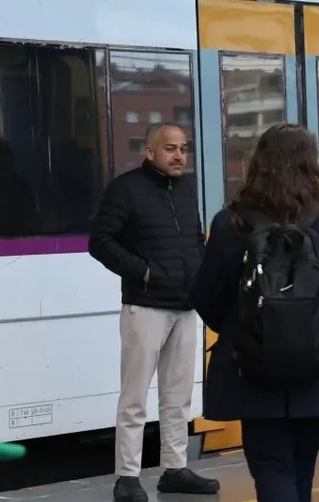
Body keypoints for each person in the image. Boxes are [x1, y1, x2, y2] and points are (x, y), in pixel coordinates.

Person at [189, 123, 319, 502]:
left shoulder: (231, 221)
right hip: (315, 367)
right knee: (302, 470)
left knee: (272, 469)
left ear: (259, 162)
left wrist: (245, 329)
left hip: (252, 368)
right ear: (310, 163)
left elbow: (206, 294)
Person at [88, 123, 218, 502]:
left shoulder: (187, 188)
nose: (179, 155)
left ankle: (174, 468)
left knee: (178, 396)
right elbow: (100, 241)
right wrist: (143, 271)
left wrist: (201, 274)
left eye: (183, 148)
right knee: (134, 398)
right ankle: (127, 477)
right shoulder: (126, 189)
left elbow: (195, 237)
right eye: (170, 149)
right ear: (149, 152)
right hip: (144, 307)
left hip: (185, 305)